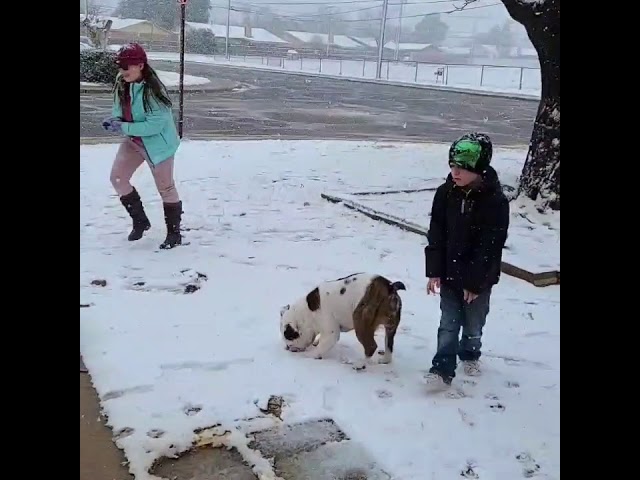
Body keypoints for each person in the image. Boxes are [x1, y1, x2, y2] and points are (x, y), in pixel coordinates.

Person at [423, 132, 510, 391]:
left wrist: (475, 283)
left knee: (473, 323)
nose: (455, 173)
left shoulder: (495, 202)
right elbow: (436, 232)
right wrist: (434, 271)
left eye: (462, 168)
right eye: (452, 166)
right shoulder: (445, 193)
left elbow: (490, 245)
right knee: (448, 324)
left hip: (478, 280)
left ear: (479, 170)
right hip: (450, 274)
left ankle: (471, 352)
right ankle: (441, 369)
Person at [101, 43, 183, 250]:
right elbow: (119, 107)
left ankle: (174, 233)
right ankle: (140, 221)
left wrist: (124, 127)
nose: (122, 71)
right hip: (134, 141)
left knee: (166, 188)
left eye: (126, 66)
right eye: (120, 66)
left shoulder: (154, 90)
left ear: (140, 65)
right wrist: (115, 120)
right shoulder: (122, 82)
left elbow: (155, 125)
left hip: (158, 146)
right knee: (118, 178)